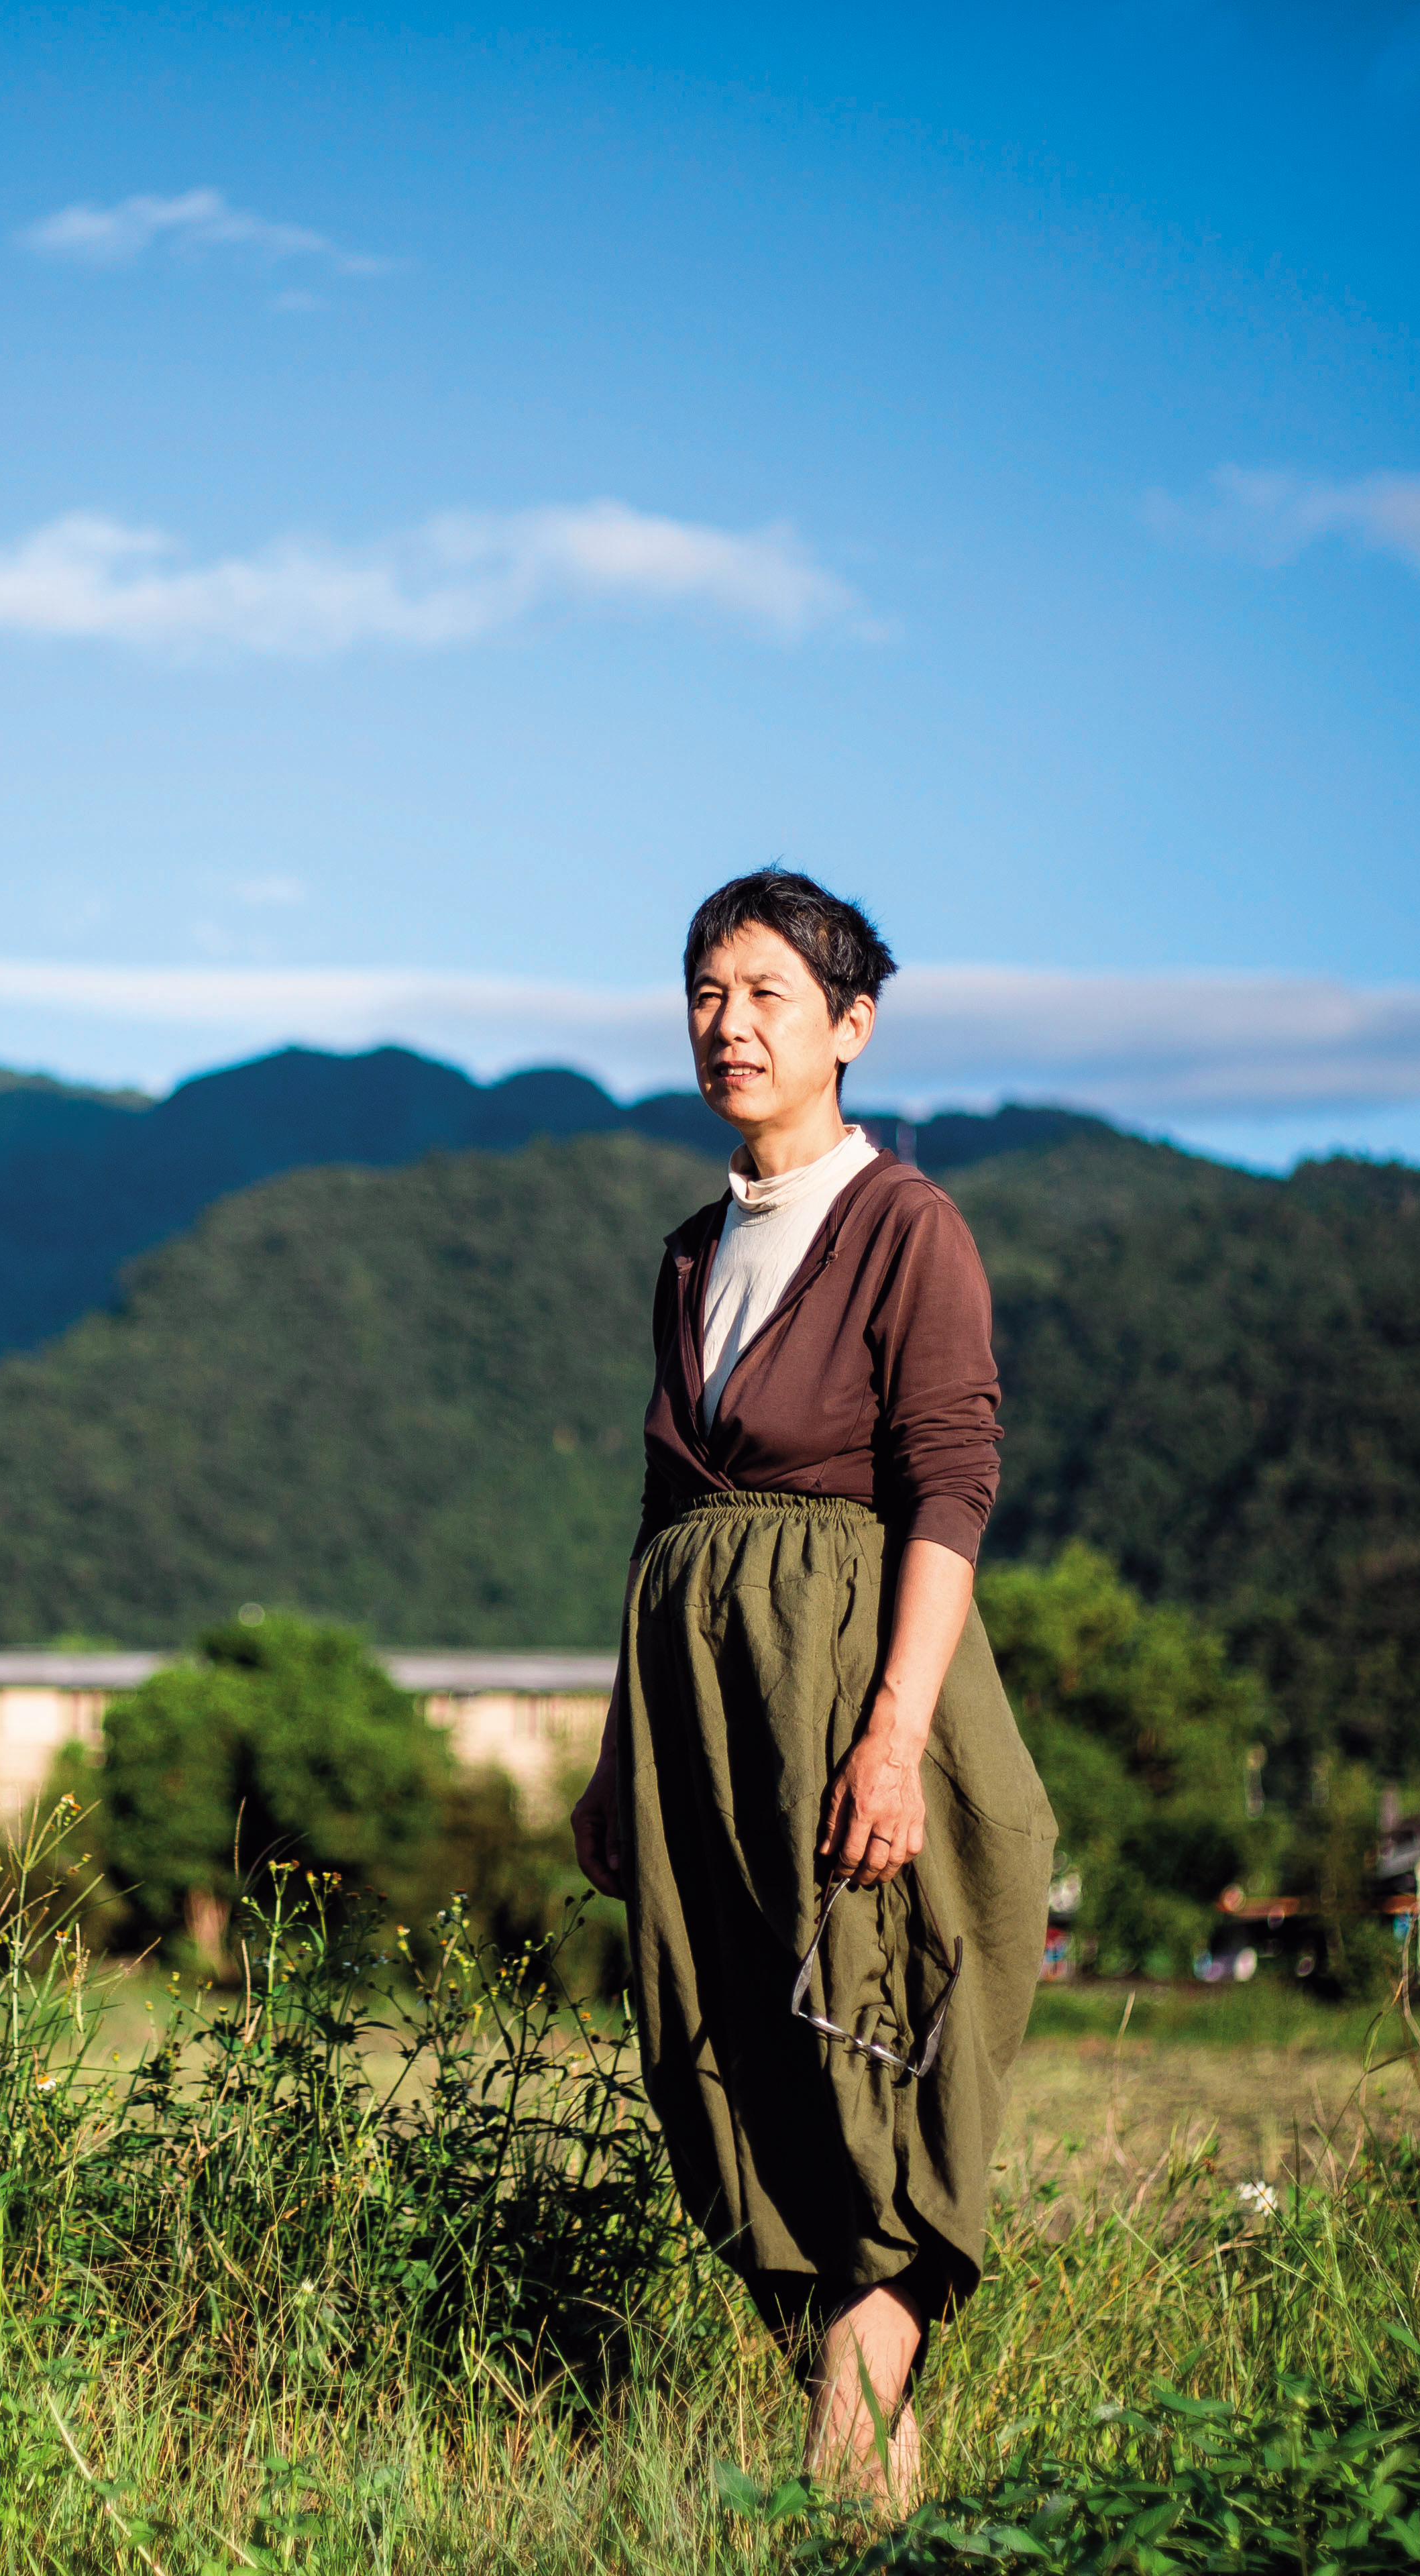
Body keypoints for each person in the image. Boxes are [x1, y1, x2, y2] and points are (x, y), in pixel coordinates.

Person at [571, 868, 1056, 2503]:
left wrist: (896, 1736)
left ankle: (841, 2445)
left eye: (769, 992)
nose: (729, 1023)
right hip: (709, 1716)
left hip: (846, 1684)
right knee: (737, 2052)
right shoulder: (692, 1252)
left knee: (871, 2035)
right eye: (708, 992)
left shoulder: (905, 1225)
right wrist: (618, 1754)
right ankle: (881, 2494)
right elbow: (663, 1515)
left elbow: (952, 1483)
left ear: (853, 1026)